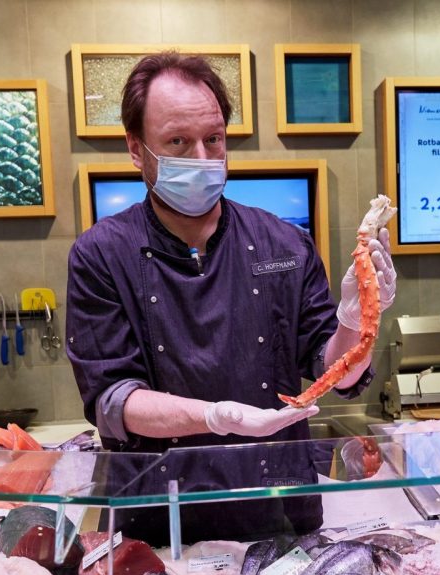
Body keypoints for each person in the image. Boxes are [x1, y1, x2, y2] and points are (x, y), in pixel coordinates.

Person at [66, 51, 396, 542]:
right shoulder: (100, 254)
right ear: (136, 149)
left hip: (279, 514)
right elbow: (112, 401)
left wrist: (355, 317)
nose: (203, 158)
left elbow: (337, 374)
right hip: (159, 523)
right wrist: (215, 416)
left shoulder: (285, 243)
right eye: (178, 141)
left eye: (214, 139)